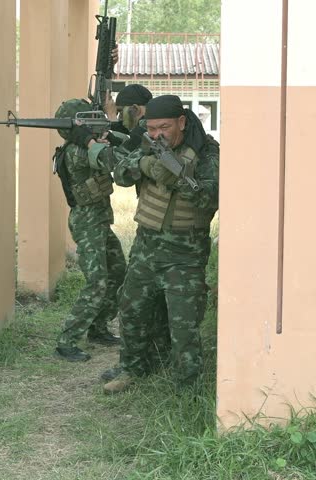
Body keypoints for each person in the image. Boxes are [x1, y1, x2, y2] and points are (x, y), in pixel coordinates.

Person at [104, 95, 220, 393]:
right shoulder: (147, 144)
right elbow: (119, 173)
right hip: (146, 246)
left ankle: (187, 386)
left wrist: (181, 179)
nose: (157, 134)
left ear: (181, 122)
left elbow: (213, 198)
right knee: (132, 309)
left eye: (164, 127)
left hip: (186, 251)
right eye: (152, 128)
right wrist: (145, 164)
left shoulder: (207, 154)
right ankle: (131, 368)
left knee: (183, 324)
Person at [53, 97, 127, 362]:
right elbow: (114, 161)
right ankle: (67, 341)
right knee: (96, 282)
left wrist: (105, 131)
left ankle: (97, 327)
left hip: (98, 220)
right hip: (87, 222)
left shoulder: (84, 145)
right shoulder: (76, 151)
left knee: (119, 272)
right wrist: (98, 137)